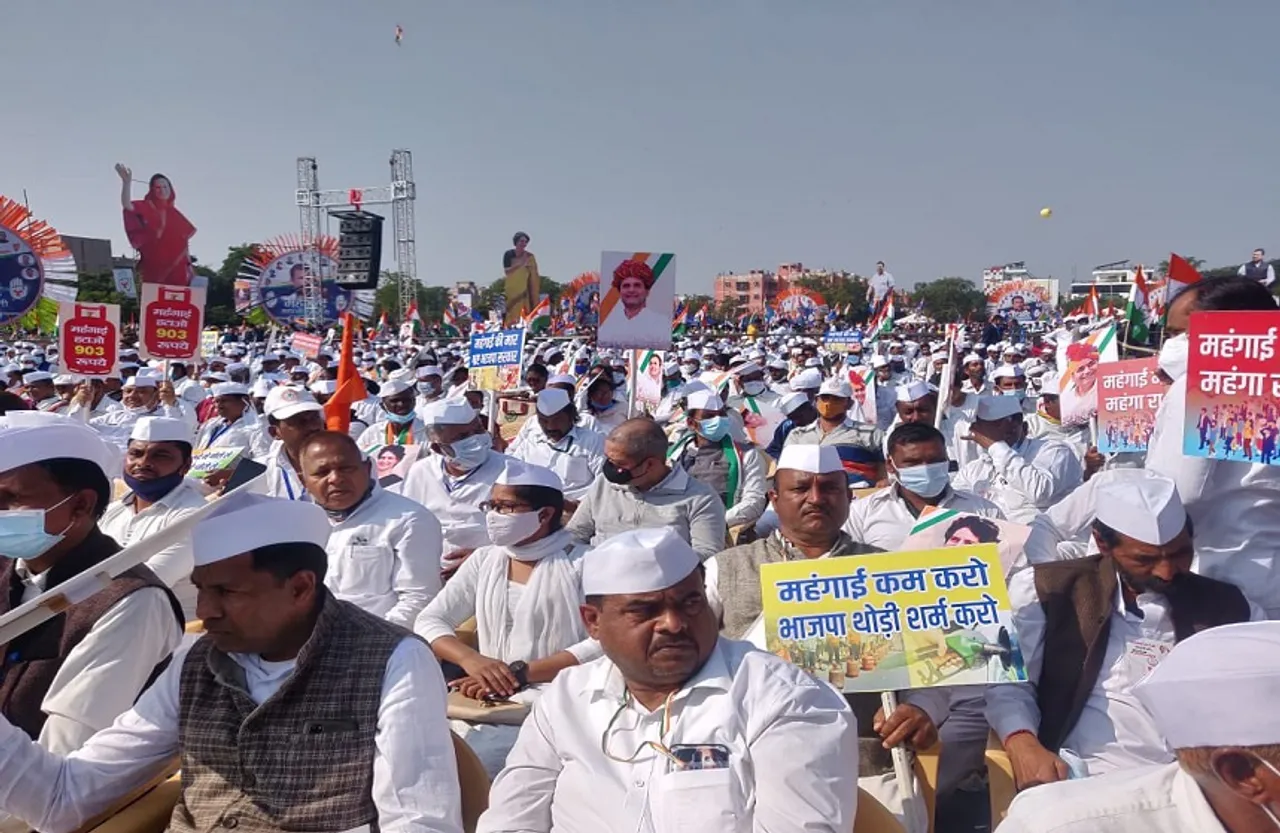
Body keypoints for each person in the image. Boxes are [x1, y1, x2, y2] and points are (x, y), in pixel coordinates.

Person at [0, 492, 464, 833]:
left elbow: (419, 820)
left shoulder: (393, 660)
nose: (205, 611)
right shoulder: (195, 664)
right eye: (201, 588)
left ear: (301, 587)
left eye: (227, 592)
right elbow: (63, 799)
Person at [477, 527, 858, 833]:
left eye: (690, 603)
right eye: (644, 611)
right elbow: (511, 820)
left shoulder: (786, 699)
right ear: (593, 622)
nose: (674, 624)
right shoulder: (565, 700)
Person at [985, 470, 1260, 790]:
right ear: (1102, 543)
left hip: (1199, 782)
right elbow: (1005, 684)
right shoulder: (1043, 589)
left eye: (1180, 553)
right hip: (1084, 777)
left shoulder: (1231, 606)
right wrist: (1021, 741)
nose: (1167, 571)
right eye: (1145, 559)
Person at [0, 412, 184, 755]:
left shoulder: (130, 603)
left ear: (81, 505)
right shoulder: (8, 565)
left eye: (9, 499)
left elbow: (60, 762)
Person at [1000, 621, 1280, 832]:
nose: (1165, 572)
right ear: (1244, 775)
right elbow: (1004, 685)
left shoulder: (1226, 602)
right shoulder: (1062, 826)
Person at [415, 460, 601, 775]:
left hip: (556, 697)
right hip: (483, 694)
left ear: (545, 514)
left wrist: (521, 674)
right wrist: (474, 661)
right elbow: (430, 620)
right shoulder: (487, 559)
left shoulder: (586, 562)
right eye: (492, 505)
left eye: (506, 507)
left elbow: (603, 641)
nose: (494, 515)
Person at [1146, 275, 1280, 616]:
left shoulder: (1200, 386)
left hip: (1224, 583)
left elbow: (1175, 494)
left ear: (1227, 328)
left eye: (1181, 334)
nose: (1171, 345)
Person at [297, 431, 442, 628]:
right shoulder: (297, 523)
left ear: (366, 468)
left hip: (380, 645)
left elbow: (419, 598)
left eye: (346, 468)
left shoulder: (409, 519)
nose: (335, 479)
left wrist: (371, 641)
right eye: (322, 473)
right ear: (304, 480)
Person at [566, 419, 726, 560]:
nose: (610, 468)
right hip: (596, 577)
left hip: (659, 587)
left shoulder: (700, 498)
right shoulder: (604, 484)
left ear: (650, 464)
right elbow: (574, 536)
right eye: (609, 459)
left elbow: (707, 556)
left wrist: (645, 565)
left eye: (619, 464)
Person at [99, 417, 210, 619]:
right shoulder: (114, 510)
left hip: (170, 633)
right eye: (136, 454)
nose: (143, 463)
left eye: (160, 456)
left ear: (186, 465)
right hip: (105, 618)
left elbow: (141, 585)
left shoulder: (195, 516)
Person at [398, 399, 509, 574]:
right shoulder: (420, 472)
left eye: (478, 430)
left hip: (491, 570)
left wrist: (486, 556)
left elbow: (532, 534)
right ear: (437, 448)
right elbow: (406, 525)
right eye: (462, 437)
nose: (476, 440)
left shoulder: (513, 471)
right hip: (431, 571)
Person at [952, 395, 1082, 523]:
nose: (979, 432)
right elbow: (955, 505)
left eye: (987, 426)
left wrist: (995, 446)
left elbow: (1039, 492)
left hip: (1048, 540)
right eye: (978, 426)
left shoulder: (1054, 451)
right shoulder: (973, 470)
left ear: (1015, 425)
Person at [667, 390, 767, 533]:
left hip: (718, 527)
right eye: (709, 416)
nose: (718, 420)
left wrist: (713, 523)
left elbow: (754, 502)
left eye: (721, 414)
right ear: (691, 423)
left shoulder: (746, 454)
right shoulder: (675, 455)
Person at [506, 387, 605, 505]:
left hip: (578, 511)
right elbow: (513, 474)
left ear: (570, 416)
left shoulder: (592, 441)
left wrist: (578, 506)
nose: (550, 427)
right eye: (544, 421)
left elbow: (605, 483)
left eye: (557, 420)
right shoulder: (531, 442)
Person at [116, 163, 195, 287]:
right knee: (155, 300)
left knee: (179, 301)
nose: (162, 190)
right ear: (152, 189)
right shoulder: (147, 206)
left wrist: (190, 269)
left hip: (178, 269)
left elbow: (184, 244)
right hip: (154, 267)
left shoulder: (175, 214)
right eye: (158, 187)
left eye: (165, 186)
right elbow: (127, 205)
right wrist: (126, 183)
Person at [254, 385, 326, 501]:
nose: (312, 426)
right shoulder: (260, 472)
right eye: (298, 422)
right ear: (274, 432)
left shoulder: (353, 459)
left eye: (314, 418)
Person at [598, 259, 669, 350]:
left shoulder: (661, 323)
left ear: (647, 291)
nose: (631, 290)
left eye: (637, 285)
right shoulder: (608, 325)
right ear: (620, 292)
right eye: (626, 286)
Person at [193, 381, 261, 452]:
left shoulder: (256, 428)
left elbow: (261, 457)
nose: (219, 406)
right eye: (216, 401)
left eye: (224, 401)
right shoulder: (210, 425)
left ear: (245, 400)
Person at [503, 232, 540, 326]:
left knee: (526, 309)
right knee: (512, 310)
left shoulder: (530, 256)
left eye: (526, 242)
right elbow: (507, 271)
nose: (524, 243)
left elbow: (534, 275)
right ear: (516, 242)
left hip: (526, 288)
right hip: (513, 288)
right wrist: (520, 264)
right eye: (521, 241)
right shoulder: (508, 254)